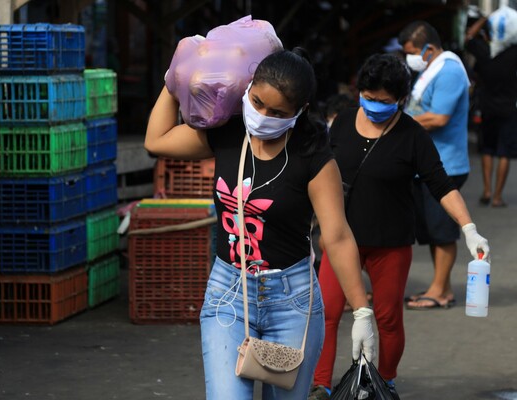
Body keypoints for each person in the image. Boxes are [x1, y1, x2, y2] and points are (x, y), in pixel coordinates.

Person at [145, 47, 376, 400]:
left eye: (278, 112)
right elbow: (156, 141)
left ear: (301, 112)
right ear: (248, 87)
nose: (263, 116)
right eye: (257, 102)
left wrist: (361, 310)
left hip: (293, 301)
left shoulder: (311, 154)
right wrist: (175, 78)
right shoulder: (227, 132)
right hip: (228, 295)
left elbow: (338, 235)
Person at [309, 54, 490, 400]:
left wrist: (468, 228)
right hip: (340, 239)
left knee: (388, 318)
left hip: (391, 243)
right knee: (327, 312)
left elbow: (441, 184)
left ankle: (384, 381)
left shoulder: (412, 135)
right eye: (369, 97)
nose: (375, 105)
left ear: (401, 101)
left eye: (385, 102)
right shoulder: (342, 123)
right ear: (359, 91)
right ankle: (320, 384)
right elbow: (316, 173)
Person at [398, 21, 472, 310]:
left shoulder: (450, 70)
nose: (409, 58)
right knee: (431, 230)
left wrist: (395, 122)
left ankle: (440, 291)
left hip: (446, 165)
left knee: (442, 231)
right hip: (428, 163)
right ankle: (441, 287)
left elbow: (438, 117)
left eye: (412, 52)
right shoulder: (431, 69)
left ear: (429, 48)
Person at [465, 13, 517, 208]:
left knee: (488, 148)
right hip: (509, 108)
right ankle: (497, 196)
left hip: (486, 107)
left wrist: (483, 20)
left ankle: (486, 190)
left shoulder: (483, 50)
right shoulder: (513, 51)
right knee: (505, 152)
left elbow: (468, 38)